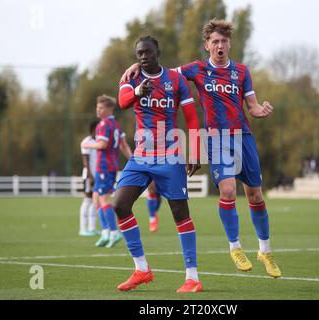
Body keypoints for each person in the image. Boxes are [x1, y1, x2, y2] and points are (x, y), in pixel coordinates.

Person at [121, 19, 281, 278]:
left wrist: (259, 111)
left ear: (230, 44)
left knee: (255, 196)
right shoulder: (196, 69)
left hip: (243, 137)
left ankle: (265, 250)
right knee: (228, 190)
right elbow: (162, 72)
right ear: (207, 45)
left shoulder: (241, 71)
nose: (220, 45)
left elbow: (251, 106)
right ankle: (235, 247)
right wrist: (136, 65)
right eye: (215, 41)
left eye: (224, 41)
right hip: (216, 139)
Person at [114, 35, 203, 293]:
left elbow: (191, 118)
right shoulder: (130, 78)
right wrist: (138, 91)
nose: (143, 57)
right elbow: (122, 102)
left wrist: (195, 150)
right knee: (119, 205)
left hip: (170, 154)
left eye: (148, 52)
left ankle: (192, 277)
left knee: (179, 213)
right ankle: (141, 269)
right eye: (139, 53)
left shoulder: (175, 81)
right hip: (141, 155)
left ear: (157, 52)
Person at [82, 95, 132, 248]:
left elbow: (102, 145)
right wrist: (134, 160)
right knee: (96, 199)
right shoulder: (115, 124)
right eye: (97, 107)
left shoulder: (103, 125)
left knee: (103, 200)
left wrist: (87, 144)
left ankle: (114, 232)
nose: (98, 110)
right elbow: (123, 145)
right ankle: (105, 232)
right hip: (106, 167)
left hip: (105, 166)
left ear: (109, 109)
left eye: (101, 108)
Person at [79, 119, 99, 236]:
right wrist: (90, 176)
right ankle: (83, 229)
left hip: (97, 176)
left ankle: (91, 228)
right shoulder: (87, 141)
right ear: (93, 129)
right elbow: (85, 161)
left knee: (94, 201)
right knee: (87, 200)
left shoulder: (99, 142)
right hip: (88, 176)